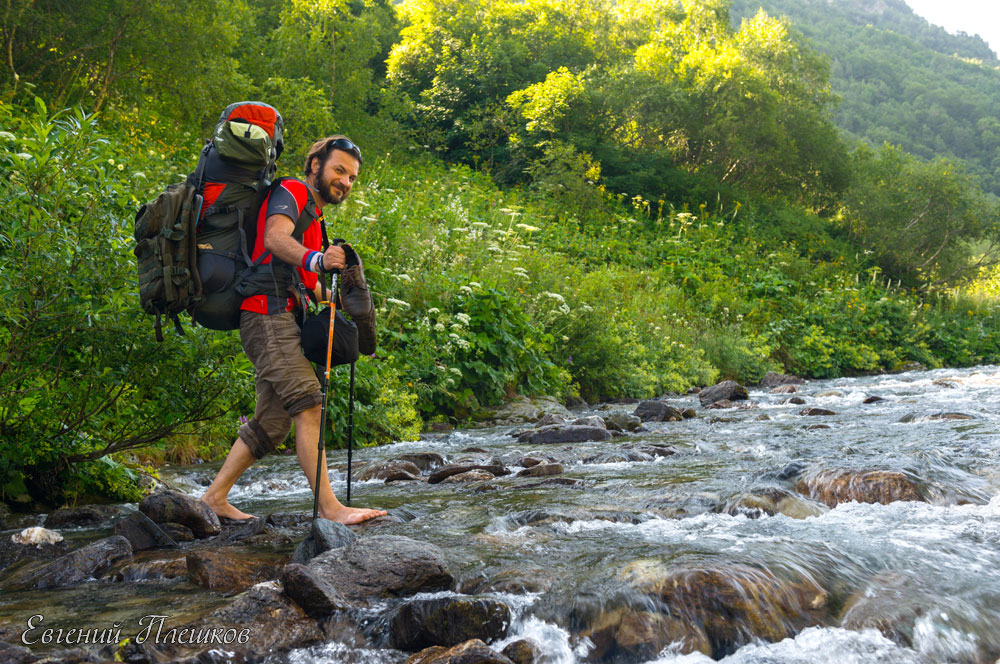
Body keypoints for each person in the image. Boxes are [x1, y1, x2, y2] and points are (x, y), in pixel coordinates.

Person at [200, 136, 386, 524]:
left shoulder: (315, 219)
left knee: (272, 423)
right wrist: (318, 259)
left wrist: (352, 312)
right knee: (309, 404)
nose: (346, 182)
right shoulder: (292, 190)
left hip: (284, 316)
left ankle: (214, 498)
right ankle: (331, 509)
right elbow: (274, 239)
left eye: (352, 177)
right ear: (315, 165)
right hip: (267, 315)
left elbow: (306, 279)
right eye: (339, 170)